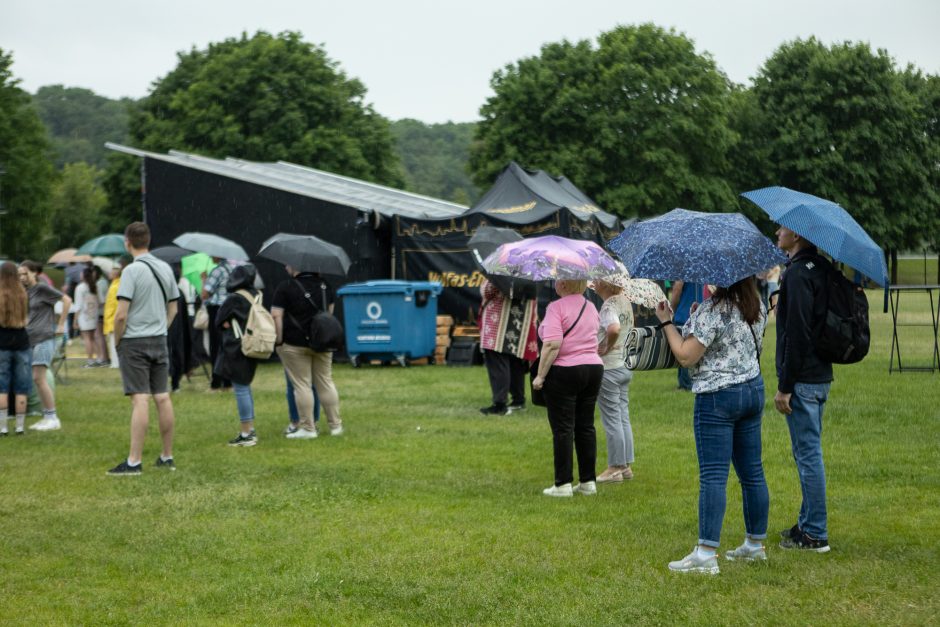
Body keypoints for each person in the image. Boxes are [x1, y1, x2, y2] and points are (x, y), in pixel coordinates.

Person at [655, 276, 769, 575]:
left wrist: (667, 321)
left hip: (718, 397)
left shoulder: (713, 309)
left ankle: (705, 553)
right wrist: (696, 318)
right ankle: (755, 545)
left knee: (713, 476)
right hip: (752, 389)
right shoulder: (756, 306)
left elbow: (685, 355)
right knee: (752, 472)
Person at [774, 226, 834, 553]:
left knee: (808, 455)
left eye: (782, 228)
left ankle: (815, 534)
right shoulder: (821, 267)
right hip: (821, 373)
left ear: (796, 236)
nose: (777, 232)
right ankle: (807, 522)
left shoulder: (798, 274)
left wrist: (785, 387)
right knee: (807, 452)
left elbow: (797, 333)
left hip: (804, 379)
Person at [108, 221, 180, 475]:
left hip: (134, 341)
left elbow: (120, 315)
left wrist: (117, 341)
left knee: (140, 399)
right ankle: (166, 456)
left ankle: (134, 462)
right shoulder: (165, 268)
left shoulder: (131, 271)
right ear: (148, 240)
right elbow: (174, 307)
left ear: (128, 243)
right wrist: (162, 327)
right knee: (162, 396)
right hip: (159, 339)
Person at [531, 279, 603, 497]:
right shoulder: (591, 306)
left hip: (565, 371)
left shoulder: (555, 307)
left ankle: (562, 484)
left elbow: (552, 344)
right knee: (585, 426)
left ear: (562, 284)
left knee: (563, 428)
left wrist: (540, 376)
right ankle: (588, 481)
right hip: (593, 368)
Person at [271, 266, 342, 439]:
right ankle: (336, 426)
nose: (286, 267)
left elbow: (276, 315)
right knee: (325, 383)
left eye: (288, 264)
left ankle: (308, 428)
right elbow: (329, 313)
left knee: (302, 385)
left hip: (294, 343)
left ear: (296, 267)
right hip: (322, 342)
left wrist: (279, 341)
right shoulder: (325, 285)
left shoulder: (285, 286)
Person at [591, 278, 636, 483]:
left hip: (609, 366)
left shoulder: (609, 305)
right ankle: (625, 465)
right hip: (624, 365)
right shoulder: (624, 301)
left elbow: (614, 329)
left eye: (597, 279)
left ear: (605, 284)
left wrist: (607, 346)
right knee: (622, 415)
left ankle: (615, 467)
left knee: (612, 419)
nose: (593, 282)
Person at [213, 264, 263, 446]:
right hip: (253, 343)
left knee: (241, 388)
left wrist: (227, 323)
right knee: (245, 386)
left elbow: (219, 320)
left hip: (237, 346)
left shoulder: (234, 298)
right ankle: (249, 428)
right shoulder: (257, 295)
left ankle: (246, 433)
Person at [18, 261, 71, 431]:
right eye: (19, 274)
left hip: (45, 337)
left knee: (38, 378)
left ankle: (52, 418)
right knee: (37, 379)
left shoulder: (42, 288)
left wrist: (61, 325)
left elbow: (67, 300)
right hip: (32, 339)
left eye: (25, 273)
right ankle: (48, 416)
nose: (22, 277)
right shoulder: (28, 292)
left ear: (35, 273)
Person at [478, 279, 538, 415]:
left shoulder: (501, 274)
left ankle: (500, 403)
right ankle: (518, 399)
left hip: (498, 323)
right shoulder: (528, 275)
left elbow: (487, 292)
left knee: (497, 362)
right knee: (515, 362)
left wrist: (485, 283)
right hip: (519, 323)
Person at [0, 262, 32, 436]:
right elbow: (25, 319)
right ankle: (19, 427)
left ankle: (3, 427)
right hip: (21, 340)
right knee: (22, 386)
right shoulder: (23, 294)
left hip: (2, 341)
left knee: (1, 386)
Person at [202, 257, 237, 390]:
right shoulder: (232, 270)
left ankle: (216, 382)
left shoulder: (217, 271)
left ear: (218, 255)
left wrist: (204, 279)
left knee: (215, 346)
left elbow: (205, 294)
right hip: (229, 310)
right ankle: (228, 382)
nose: (210, 256)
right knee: (226, 345)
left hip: (217, 311)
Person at [669, 281, 705, 391]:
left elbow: (677, 289)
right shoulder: (706, 267)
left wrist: (672, 309)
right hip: (701, 312)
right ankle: (686, 382)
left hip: (684, 314)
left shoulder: (685, 267)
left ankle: (686, 385)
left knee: (683, 351)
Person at [103, 257, 131, 369]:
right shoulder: (116, 284)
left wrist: (110, 319)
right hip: (112, 318)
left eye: (111, 271)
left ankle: (116, 363)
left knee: (114, 343)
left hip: (113, 319)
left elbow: (113, 305)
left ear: (116, 273)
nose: (109, 273)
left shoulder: (115, 286)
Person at [74, 267, 101, 367]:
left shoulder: (80, 287)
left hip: (84, 316)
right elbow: (99, 301)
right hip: (93, 315)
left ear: (84, 275)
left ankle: (90, 361)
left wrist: (75, 320)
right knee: (93, 338)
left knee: (87, 339)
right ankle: (99, 358)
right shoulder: (94, 286)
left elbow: (78, 305)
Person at [93, 265, 110, 366]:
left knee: (99, 336)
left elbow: (101, 300)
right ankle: (105, 357)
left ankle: (103, 358)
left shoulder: (99, 283)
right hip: (104, 312)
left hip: (100, 312)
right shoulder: (104, 281)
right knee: (101, 336)